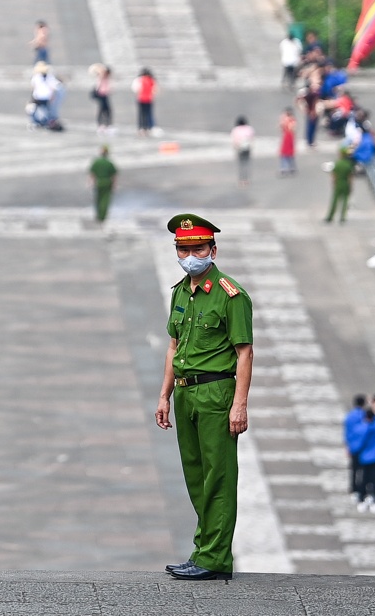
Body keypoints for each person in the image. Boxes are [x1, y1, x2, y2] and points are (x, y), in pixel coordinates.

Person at [155, 213, 254, 580]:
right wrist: (164, 396)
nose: (190, 256)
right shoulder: (181, 291)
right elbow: (173, 346)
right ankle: (203, 550)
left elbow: (245, 352)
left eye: (197, 249)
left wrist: (239, 405)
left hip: (215, 392)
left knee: (219, 477)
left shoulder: (231, 295)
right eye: (183, 249)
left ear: (213, 250)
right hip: (185, 393)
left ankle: (215, 559)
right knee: (196, 476)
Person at [343, 394, 368, 501]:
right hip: (363, 446)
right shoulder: (364, 416)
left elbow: (346, 432)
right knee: (364, 469)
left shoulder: (349, 416)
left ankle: (353, 487)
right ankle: (362, 487)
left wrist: (347, 445)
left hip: (353, 445)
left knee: (354, 468)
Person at [89, 146, 117, 221]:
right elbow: (113, 175)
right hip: (107, 182)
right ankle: (102, 216)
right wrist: (114, 184)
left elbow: (92, 174)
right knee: (105, 200)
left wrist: (91, 182)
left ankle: (98, 215)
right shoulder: (109, 163)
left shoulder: (96, 162)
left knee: (98, 199)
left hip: (98, 182)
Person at [325, 149, 354, 222]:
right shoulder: (348, 164)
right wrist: (351, 186)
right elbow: (350, 177)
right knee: (345, 200)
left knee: (335, 200)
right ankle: (343, 217)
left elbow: (334, 176)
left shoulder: (337, 164)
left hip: (338, 183)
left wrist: (333, 184)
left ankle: (330, 216)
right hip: (345, 183)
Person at [134, 67, 159, 135]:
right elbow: (155, 90)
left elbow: (135, 89)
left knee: (141, 114)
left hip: (141, 99)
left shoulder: (139, 79)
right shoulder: (151, 80)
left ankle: (141, 128)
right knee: (148, 114)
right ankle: (148, 127)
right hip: (148, 99)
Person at [229, 116, 253, 185]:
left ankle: (241, 180)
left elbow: (234, 140)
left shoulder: (236, 130)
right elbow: (251, 138)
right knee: (246, 164)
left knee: (241, 164)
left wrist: (235, 147)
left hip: (240, 148)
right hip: (247, 147)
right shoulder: (249, 128)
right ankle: (246, 179)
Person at [91, 63, 114, 133]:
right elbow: (98, 86)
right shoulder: (101, 77)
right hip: (101, 95)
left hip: (105, 95)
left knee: (107, 110)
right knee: (102, 110)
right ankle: (101, 125)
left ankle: (107, 124)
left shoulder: (107, 78)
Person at [276, 112, 296, 177]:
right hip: (288, 138)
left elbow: (282, 127)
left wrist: (283, 121)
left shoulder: (289, 121)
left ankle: (285, 168)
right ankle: (291, 168)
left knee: (286, 155)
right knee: (289, 155)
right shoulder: (292, 121)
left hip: (287, 138)